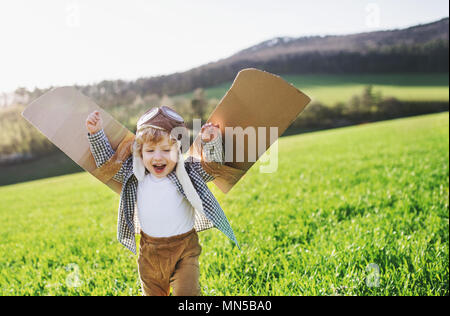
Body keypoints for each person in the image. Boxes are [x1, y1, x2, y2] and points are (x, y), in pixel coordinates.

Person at [85, 106, 239, 296]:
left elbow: (212, 168)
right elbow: (108, 164)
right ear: (140, 153)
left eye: (166, 150)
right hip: (149, 252)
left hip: (185, 250)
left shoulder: (188, 172)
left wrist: (211, 141)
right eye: (150, 151)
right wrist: (96, 133)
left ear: (178, 149)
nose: (158, 157)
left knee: (188, 294)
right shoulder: (135, 174)